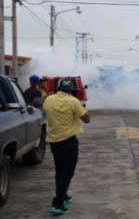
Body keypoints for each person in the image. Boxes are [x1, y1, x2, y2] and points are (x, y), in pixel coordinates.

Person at [43, 78, 90, 215]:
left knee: (60, 170)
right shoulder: (73, 101)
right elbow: (87, 119)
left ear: (58, 88)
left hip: (54, 141)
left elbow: (45, 110)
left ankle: (63, 195)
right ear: (71, 89)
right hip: (68, 141)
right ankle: (58, 203)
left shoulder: (49, 99)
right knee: (67, 172)